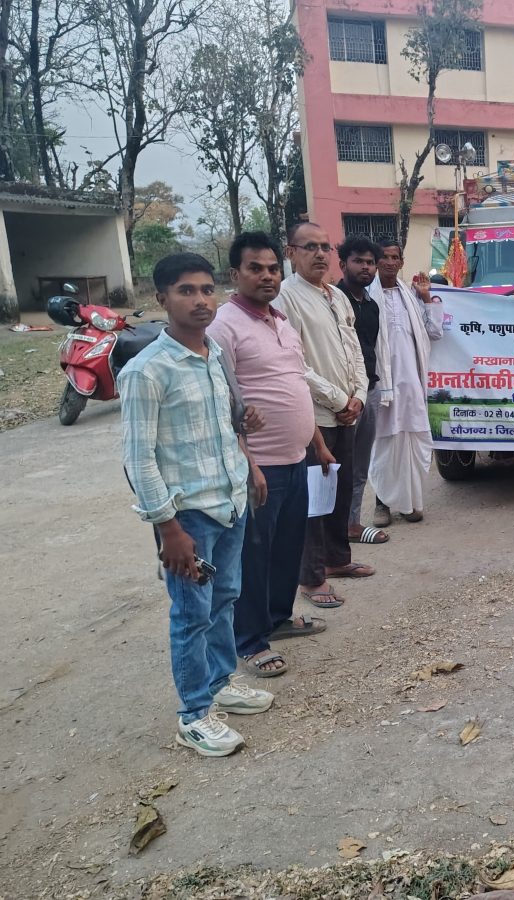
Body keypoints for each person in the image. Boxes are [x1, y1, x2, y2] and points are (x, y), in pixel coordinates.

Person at [119, 252, 274, 757]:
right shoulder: (147, 371)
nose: (200, 300)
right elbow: (139, 460)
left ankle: (220, 682)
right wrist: (169, 529)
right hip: (188, 516)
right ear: (162, 299)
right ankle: (193, 715)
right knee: (191, 614)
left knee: (225, 598)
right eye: (186, 291)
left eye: (207, 289)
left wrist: (249, 463)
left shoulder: (216, 355)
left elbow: (228, 425)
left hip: (229, 502)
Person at [208, 232, 336, 677]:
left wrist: (317, 442)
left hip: (296, 459)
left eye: (272, 268)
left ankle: (278, 618)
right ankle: (249, 639)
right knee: (253, 556)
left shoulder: (281, 321)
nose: (266, 276)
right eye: (255, 268)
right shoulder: (223, 326)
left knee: (287, 548)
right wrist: (249, 464)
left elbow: (295, 384)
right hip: (260, 467)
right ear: (235, 273)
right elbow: (222, 401)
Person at [273, 222, 373, 610]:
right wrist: (337, 398)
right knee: (313, 499)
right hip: (315, 414)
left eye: (324, 247)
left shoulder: (337, 296)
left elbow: (355, 351)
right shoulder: (286, 298)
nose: (319, 254)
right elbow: (293, 363)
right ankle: (311, 577)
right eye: (309, 247)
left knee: (340, 490)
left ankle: (336, 559)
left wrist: (359, 395)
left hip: (348, 411)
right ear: (291, 252)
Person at [369, 240, 443, 524]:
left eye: (395, 257)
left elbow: (434, 332)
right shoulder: (366, 297)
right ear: (376, 262)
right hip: (381, 384)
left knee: (413, 442)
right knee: (384, 444)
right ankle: (382, 504)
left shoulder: (410, 298)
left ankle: (410, 503)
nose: (390, 262)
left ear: (401, 262)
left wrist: (425, 297)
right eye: (384, 257)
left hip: (411, 383)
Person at [336, 235, 392, 545]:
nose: (366, 267)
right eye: (358, 261)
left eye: (370, 262)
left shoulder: (371, 306)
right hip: (341, 398)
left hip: (370, 391)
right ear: (343, 264)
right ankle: (331, 531)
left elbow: (371, 350)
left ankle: (351, 524)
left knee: (359, 466)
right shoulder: (332, 302)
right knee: (337, 466)